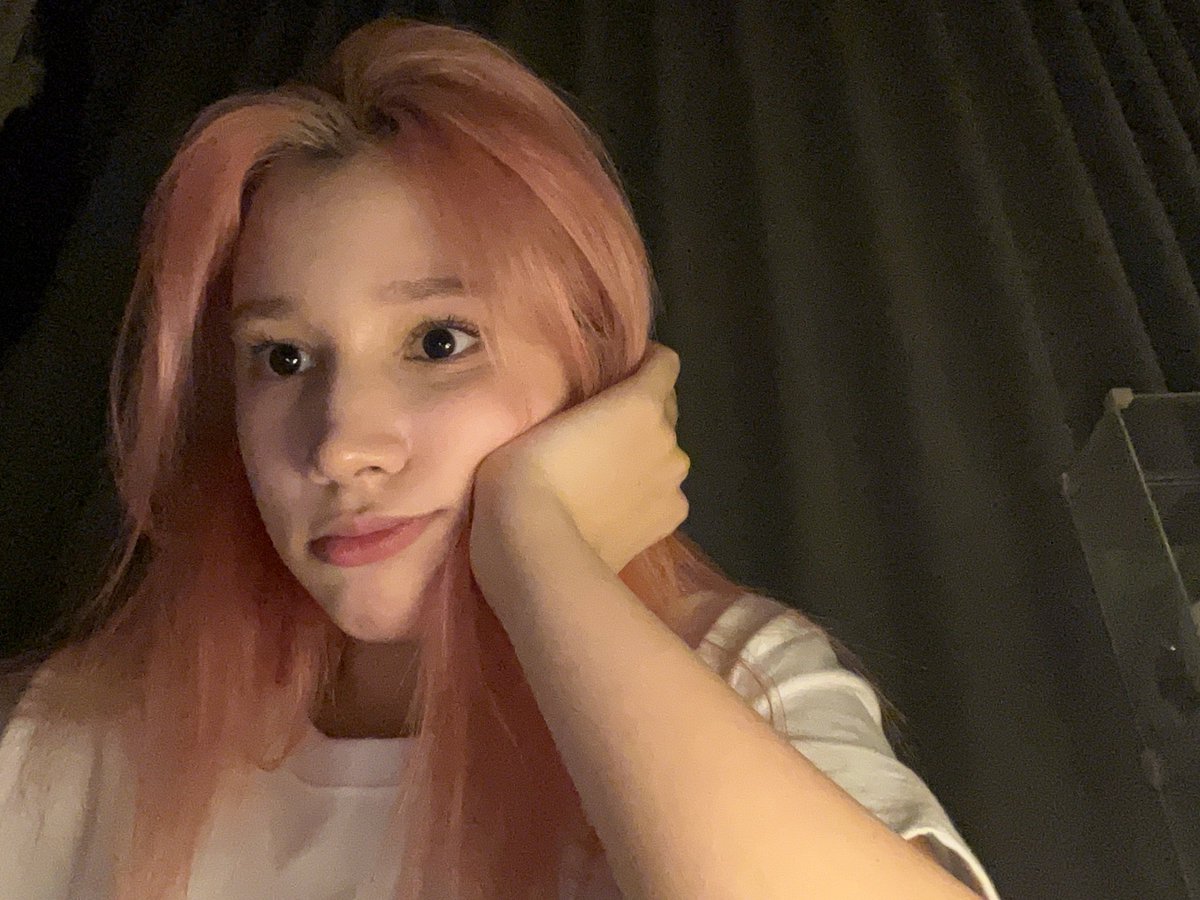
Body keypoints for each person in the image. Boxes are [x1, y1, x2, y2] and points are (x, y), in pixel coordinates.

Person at [0, 16, 1002, 900]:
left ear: (591, 369)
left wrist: (536, 550)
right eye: (284, 357)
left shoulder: (744, 685)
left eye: (439, 341)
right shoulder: (81, 736)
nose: (340, 445)